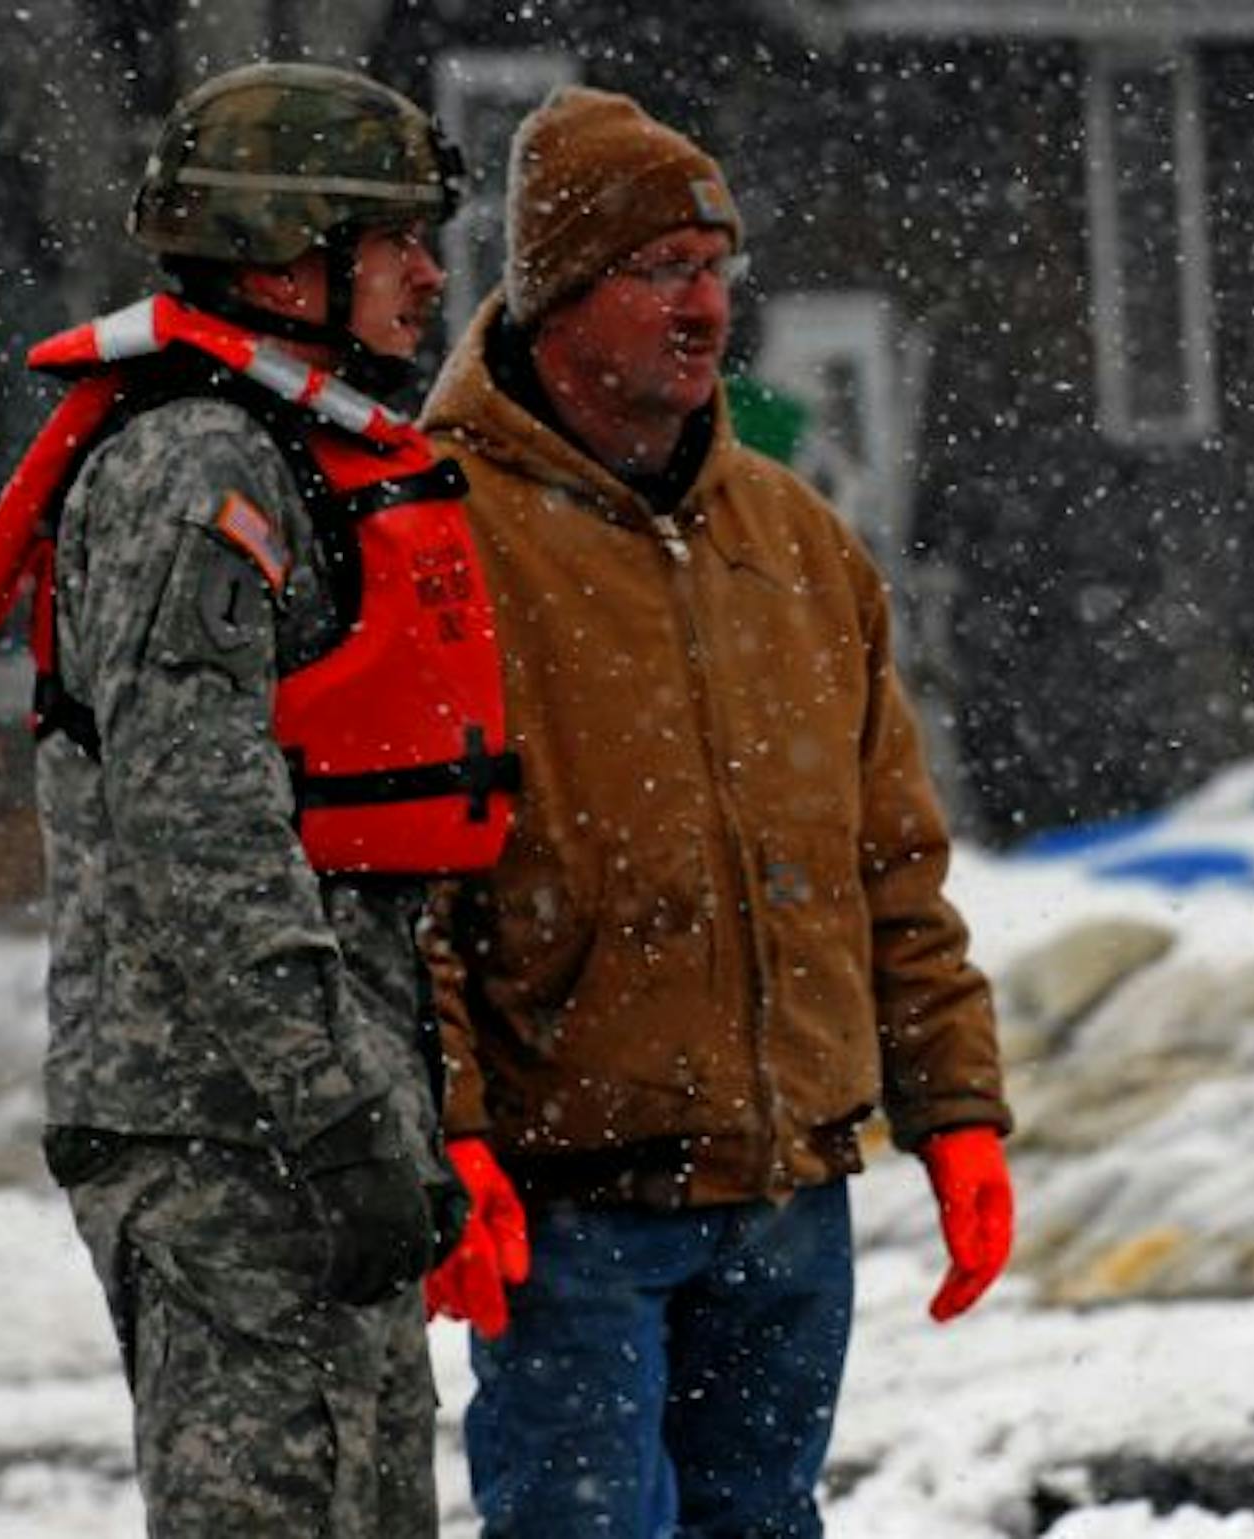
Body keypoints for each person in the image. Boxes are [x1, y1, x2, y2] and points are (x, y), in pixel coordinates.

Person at [416, 84, 1016, 1538]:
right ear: (560, 294)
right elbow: (409, 893)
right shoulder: (438, 535)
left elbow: (891, 865)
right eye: (662, 269)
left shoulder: (798, 544)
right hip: (572, 1207)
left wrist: (957, 1108)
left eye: (717, 268)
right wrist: (453, 1136)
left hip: (786, 1197)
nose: (705, 306)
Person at [0, 62, 518, 1537]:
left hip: (301, 1120)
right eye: (396, 241)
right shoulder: (198, 467)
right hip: (222, 1135)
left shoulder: (286, 447)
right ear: (286, 253)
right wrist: (336, 1115)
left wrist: (380, 1111)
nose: (431, 274)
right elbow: (199, 829)